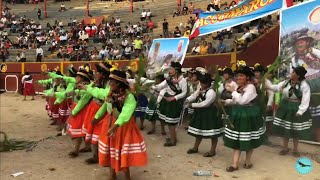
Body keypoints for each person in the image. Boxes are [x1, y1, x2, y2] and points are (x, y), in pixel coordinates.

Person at [98, 70, 147, 180]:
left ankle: (127, 178)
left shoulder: (129, 97)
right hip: (110, 124)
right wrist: (86, 88)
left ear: (119, 83)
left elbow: (126, 113)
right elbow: (98, 93)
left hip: (123, 128)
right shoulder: (110, 93)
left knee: (122, 153)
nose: (109, 83)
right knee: (110, 151)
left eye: (111, 81)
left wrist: (116, 126)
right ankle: (112, 176)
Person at [222, 65, 265, 172]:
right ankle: (234, 164)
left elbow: (242, 101)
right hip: (239, 114)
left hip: (249, 115)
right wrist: (227, 102)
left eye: (241, 76)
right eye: (237, 76)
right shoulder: (240, 87)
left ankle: (247, 161)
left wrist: (232, 91)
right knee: (237, 138)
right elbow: (237, 100)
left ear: (247, 78)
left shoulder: (251, 87)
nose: (238, 78)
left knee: (248, 138)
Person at [266, 65, 312, 157]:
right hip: (285, 106)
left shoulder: (304, 85)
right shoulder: (286, 82)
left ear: (298, 75)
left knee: (295, 130)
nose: (291, 73)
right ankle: (285, 148)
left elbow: (306, 99)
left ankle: (295, 149)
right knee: (285, 128)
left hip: (296, 107)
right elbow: (276, 88)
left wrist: (300, 111)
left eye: (293, 72)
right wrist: (266, 83)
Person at [185, 72, 223, 157]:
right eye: (201, 83)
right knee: (199, 131)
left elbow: (205, 104)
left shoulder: (211, 92)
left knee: (213, 133)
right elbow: (194, 95)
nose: (202, 84)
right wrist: (187, 100)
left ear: (208, 83)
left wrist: (192, 105)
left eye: (203, 83)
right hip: (201, 113)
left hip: (210, 114)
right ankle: (195, 148)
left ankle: (212, 151)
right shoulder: (201, 89)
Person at [152, 62, 187, 146]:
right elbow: (161, 86)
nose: (170, 70)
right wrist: (153, 87)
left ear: (177, 71)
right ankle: (172, 138)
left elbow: (184, 93)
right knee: (168, 121)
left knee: (171, 122)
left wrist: (174, 98)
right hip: (167, 101)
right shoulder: (169, 78)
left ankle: (173, 141)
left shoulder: (183, 80)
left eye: (172, 69)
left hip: (174, 103)